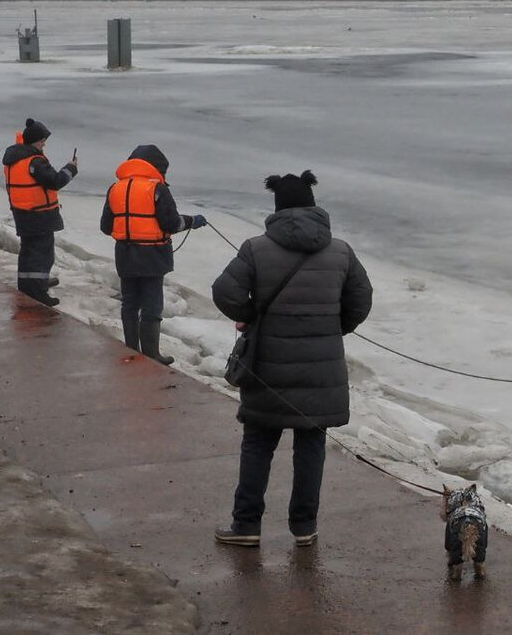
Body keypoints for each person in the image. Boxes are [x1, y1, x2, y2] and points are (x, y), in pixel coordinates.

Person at [211, 170, 372, 548]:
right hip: (322, 371)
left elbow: (223, 292)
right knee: (311, 447)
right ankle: (304, 528)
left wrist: (251, 317)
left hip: (268, 367)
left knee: (257, 444)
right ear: (314, 207)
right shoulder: (342, 251)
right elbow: (361, 301)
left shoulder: (256, 248)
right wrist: (333, 329)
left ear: (277, 208)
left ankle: (247, 525)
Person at [100, 145, 206, 364]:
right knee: (151, 305)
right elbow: (171, 223)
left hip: (125, 253)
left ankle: (130, 348)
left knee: (129, 303)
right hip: (153, 255)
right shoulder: (157, 189)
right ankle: (151, 354)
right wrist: (192, 221)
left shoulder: (115, 188)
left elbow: (105, 226)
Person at [3, 119, 78, 306]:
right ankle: (38, 291)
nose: (44, 144)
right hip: (39, 215)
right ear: (35, 141)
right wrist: (71, 168)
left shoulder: (14, 159)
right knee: (42, 254)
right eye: (43, 141)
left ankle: (28, 286)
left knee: (28, 252)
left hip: (22, 213)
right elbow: (55, 181)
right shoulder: (34, 161)